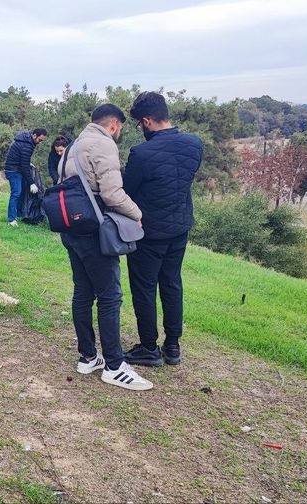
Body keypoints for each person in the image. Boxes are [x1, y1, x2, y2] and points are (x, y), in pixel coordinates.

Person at [59, 103, 152, 391]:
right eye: (120, 128)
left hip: (71, 228)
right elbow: (112, 193)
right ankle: (114, 365)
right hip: (93, 232)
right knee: (110, 295)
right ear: (114, 124)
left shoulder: (74, 145)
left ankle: (88, 356)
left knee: (83, 291)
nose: (119, 133)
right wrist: (138, 214)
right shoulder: (103, 144)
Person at [122, 92, 203, 367]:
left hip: (148, 233)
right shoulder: (194, 144)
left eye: (138, 124)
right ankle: (172, 346)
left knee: (144, 288)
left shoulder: (141, 154)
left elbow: (126, 191)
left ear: (146, 121)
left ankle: (148, 346)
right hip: (179, 229)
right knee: (171, 284)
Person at [4, 128, 47, 226]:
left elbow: (23, 159)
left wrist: (28, 163)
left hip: (17, 168)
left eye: (42, 141)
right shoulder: (27, 145)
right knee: (16, 193)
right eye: (39, 140)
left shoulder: (27, 141)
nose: (40, 143)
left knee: (22, 192)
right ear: (34, 135)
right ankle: (11, 219)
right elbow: (24, 167)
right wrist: (32, 183)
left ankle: (18, 215)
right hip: (13, 170)